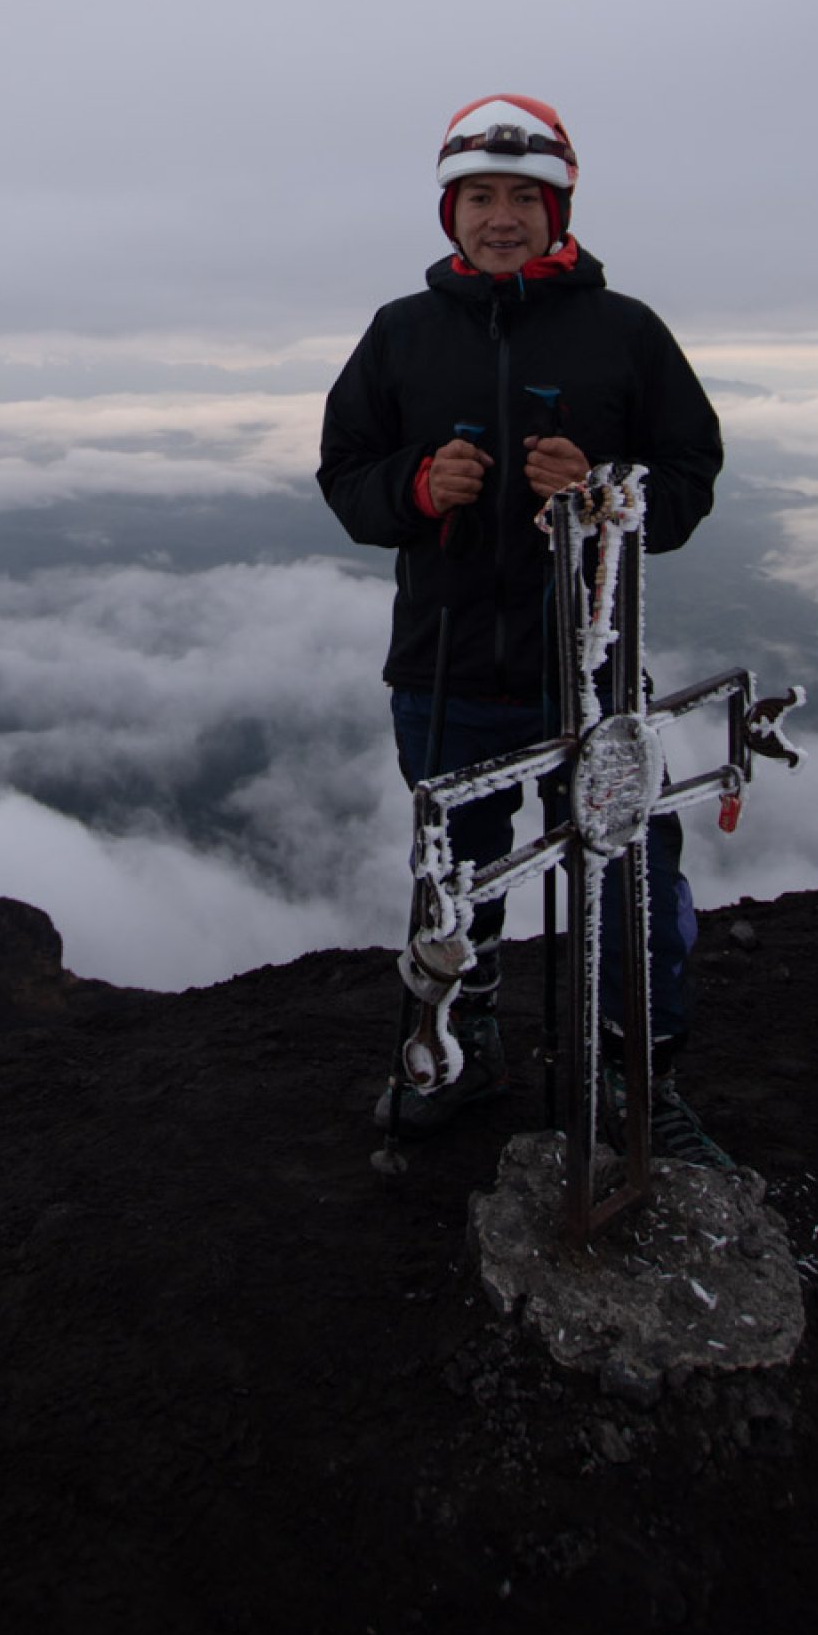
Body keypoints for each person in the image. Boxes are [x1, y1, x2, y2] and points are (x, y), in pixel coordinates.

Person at [317, 91, 730, 1164]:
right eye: (481, 197)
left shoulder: (625, 331)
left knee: (631, 874)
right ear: (450, 212)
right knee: (455, 876)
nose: (503, 217)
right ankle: (467, 1044)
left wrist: (606, 487)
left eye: (526, 198)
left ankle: (636, 1078)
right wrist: (415, 486)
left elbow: (688, 480)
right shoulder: (400, 334)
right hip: (445, 667)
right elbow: (347, 477)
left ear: (562, 209)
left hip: (588, 664)